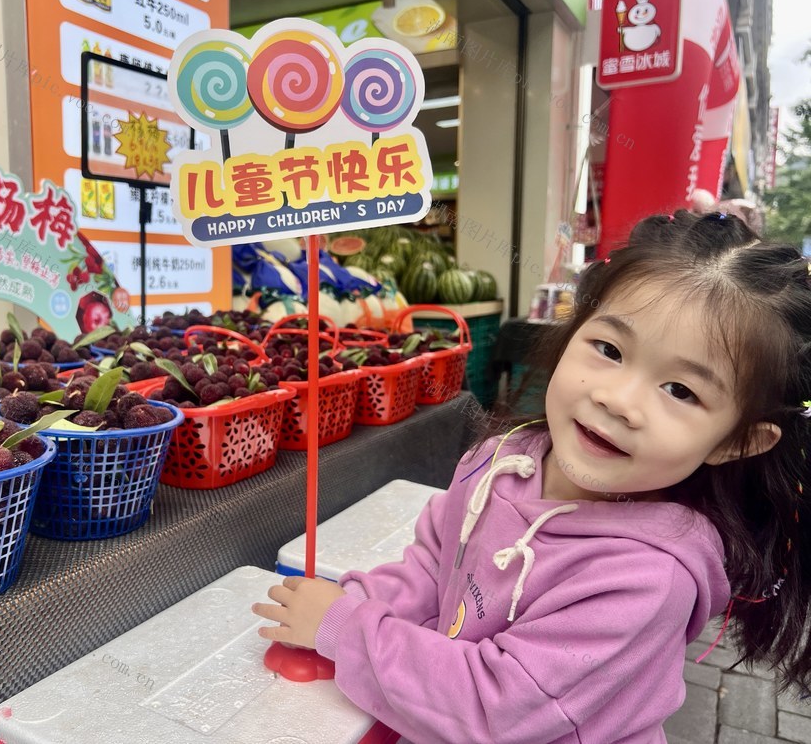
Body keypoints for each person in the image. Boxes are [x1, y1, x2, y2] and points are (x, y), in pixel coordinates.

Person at [252, 210, 811, 743]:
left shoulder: (644, 578)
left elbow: (495, 710)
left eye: (681, 390)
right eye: (610, 349)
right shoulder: (502, 459)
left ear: (738, 440)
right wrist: (352, 600)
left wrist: (349, 631)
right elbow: (434, 564)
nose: (617, 400)